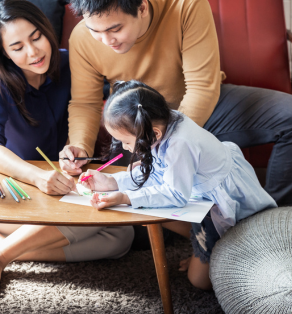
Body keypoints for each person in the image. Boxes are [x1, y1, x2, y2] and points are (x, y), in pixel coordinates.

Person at [59, 0, 292, 209]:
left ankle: (278, 219)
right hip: (140, 122)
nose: (106, 41)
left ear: (142, 8)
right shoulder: (82, 38)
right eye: (96, 31)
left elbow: (202, 87)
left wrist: (169, 146)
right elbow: (86, 102)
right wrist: (79, 146)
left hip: (201, 110)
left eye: (115, 29)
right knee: (130, 218)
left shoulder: (186, 3)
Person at [0, 0, 134, 295]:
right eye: (18, 47)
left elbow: (104, 101)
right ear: (4, 53)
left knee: (122, 237)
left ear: (47, 30)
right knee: (109, 232)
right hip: (1, 191)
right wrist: (36, 177)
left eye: (36, 37)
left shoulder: (71, 63)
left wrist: (76, 152)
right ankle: (1, 251)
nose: (33, 52)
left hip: (56, 188)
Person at [80, 80, 278, 290]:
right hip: (196, 188)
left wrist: (125, 197)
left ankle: (210, 248)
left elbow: (174, 194)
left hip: (217, 201)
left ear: (153, 134)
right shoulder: (162, 121)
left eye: (126, 142)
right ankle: (201, 245)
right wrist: (112, 181)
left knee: (199, 281)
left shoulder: (180, 143)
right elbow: (157, 172)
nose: (125, 148)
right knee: (146, 211)